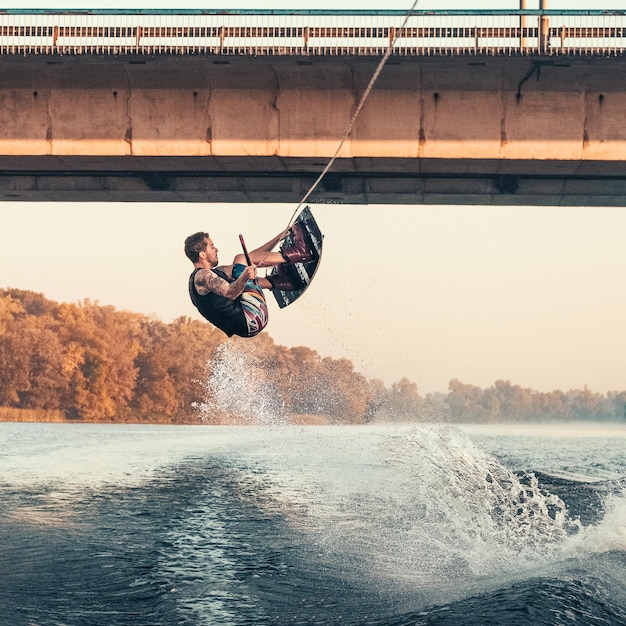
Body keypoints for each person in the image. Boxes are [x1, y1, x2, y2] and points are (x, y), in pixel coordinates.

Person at [184, 224, 313, 338]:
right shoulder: (203, 276)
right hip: (250, 317)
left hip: (249, 323)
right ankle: (300, 252)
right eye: (212, 247)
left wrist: (280, 237)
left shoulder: (211, 274)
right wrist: (245, 276)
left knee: (240, 264)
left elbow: (248, 259)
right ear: (202, 254)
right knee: (240, 265)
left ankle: (283, 282)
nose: (216, 249)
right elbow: (230, 292)